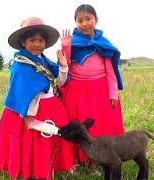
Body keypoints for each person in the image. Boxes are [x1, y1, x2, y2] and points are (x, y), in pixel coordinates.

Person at [0, 17, 74, 180]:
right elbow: (21, 92)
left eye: (41, 40)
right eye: (32, 40)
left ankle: (51, 166)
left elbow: (60, 82)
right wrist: (28, 117)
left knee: (49, 139)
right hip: (29, 111)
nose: (37, 44)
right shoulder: (21, 63)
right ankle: (33, 169)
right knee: (33, 141)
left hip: (51, 107)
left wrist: (63, 66)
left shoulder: (42, 60)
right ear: (23, 42)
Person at [60, 4, 125, 163]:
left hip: (100, 91)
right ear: (75, 22)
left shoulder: (103, 43)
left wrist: (113, 93)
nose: (84, 23)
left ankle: (100, 157)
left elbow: (110, 72)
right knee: (79, 123)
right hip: (77, 91)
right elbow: (65, 65)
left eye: (88, 19)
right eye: (79, 20)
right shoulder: (72, 42)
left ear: (96, 20)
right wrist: (66, 46)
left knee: (99, 125)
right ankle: (80, 157)